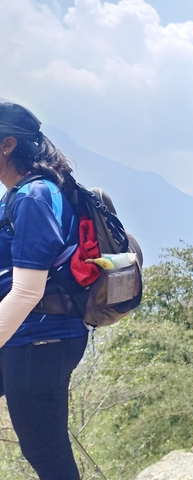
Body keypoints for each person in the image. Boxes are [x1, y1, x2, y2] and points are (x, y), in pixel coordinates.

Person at [0, 100, 88, 479]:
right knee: (46, 451)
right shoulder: (25, 194)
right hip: (31, 337)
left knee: (46, 453)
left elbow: (26, 291)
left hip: (38, 341)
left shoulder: (33, 197)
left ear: (7, 145)